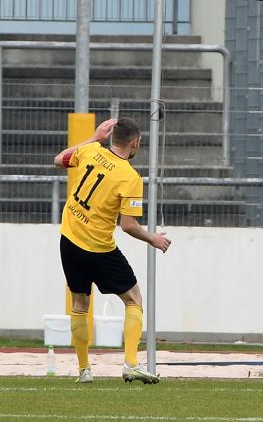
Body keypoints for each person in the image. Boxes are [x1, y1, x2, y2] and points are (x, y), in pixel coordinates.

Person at [54, 118, 172, 384]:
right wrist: (152, 238)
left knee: (80, 303)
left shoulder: (91, 150)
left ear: (111, 137)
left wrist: (95, 138)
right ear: (135, 143)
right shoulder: (130, 177)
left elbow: (59, 159)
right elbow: (128, 225)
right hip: (99, 247)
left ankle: (84, 370)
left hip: (69, 240)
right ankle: (130, 364)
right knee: (133, 299)